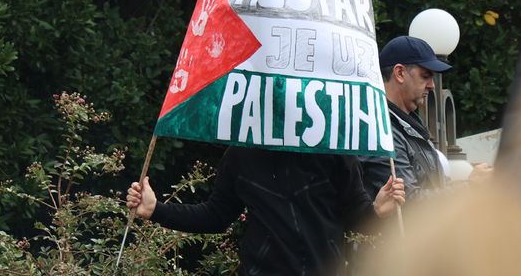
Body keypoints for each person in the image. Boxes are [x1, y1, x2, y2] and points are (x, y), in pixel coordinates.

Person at [126, 146, 406, 275]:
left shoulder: (334, 150)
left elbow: (355, 215)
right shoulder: (242, 154)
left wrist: (377, 211)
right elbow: (216, 215)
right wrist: (156, 210)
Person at [360, 36, 492, 200]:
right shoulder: (381, 131)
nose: (432, 85)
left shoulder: (408, 126)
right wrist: (470, 186)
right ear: (400, 73)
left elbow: (433, 189)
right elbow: (408, 203)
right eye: (425, 76)